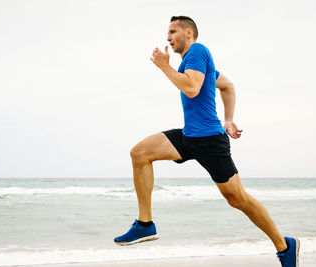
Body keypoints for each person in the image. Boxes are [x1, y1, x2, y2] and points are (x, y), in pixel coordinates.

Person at [114, 16, 300, 267]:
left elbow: (191, 88)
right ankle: (145, 224)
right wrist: (230, 119)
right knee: (139, 153)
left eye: (173, 31)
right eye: (167, 32)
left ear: (188, 33)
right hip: (189, 136)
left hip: (211, 141)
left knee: (237, 199)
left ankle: (285, 246)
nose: (168, 37)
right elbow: (227, 85)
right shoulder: (192, 62)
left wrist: (163, 67)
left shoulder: (198, 51)